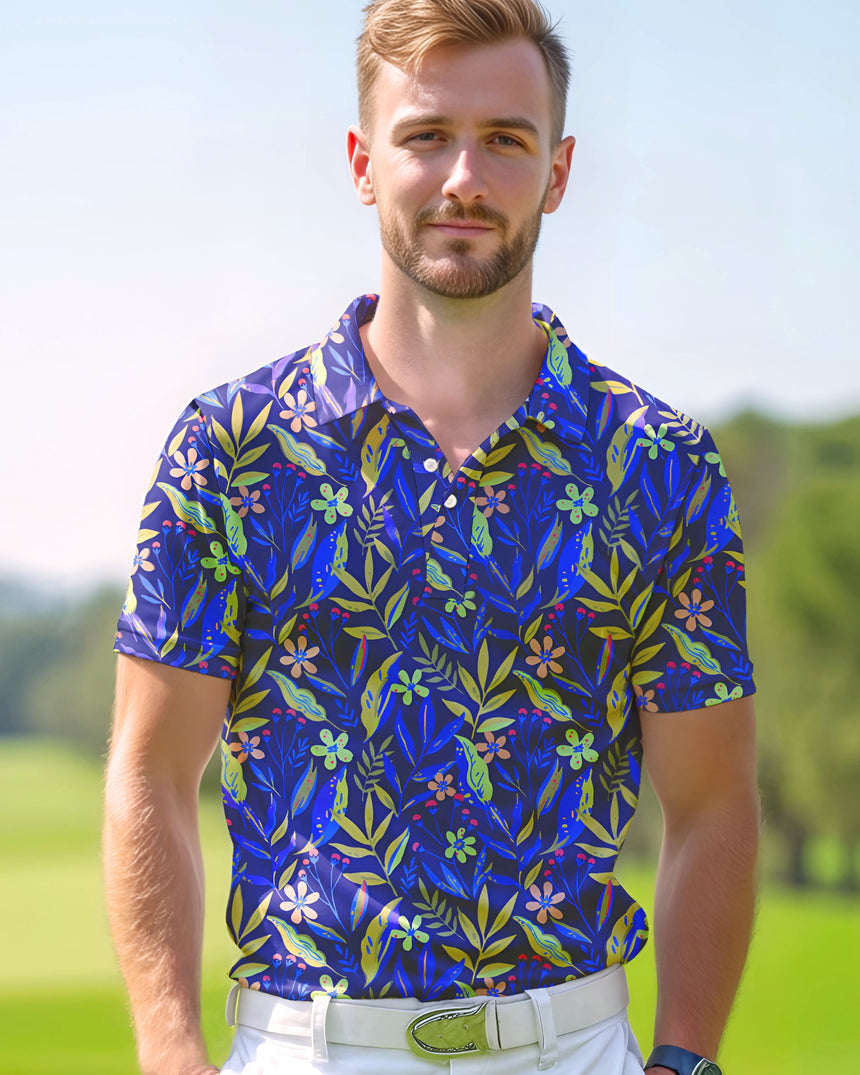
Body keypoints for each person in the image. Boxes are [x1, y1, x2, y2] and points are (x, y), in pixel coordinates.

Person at [104, 1, 760, 1073]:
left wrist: (683, 1060)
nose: (464, 177)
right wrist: (172, 1056)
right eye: (425, 137)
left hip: (571, 1046)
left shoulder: (658, 463)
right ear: (365, 162)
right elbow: (149, 772)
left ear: (556, 172)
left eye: (504, 139)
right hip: (303, 1050)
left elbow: (711, 798)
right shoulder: (231, 447)